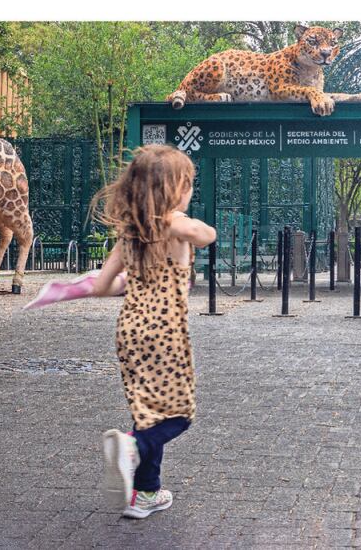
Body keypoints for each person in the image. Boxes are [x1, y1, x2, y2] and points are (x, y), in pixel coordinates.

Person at [90, 145, 217, 517]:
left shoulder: (128, 235)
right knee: (179, 414)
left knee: (148, 410)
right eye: (188, 183)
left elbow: (103, 286)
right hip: (165, 332)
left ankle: (147, 492)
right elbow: (203, 234)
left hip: (130, 330)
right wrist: (190, 223)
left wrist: (135, 283)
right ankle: (132, 450)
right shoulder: (174, 224)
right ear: (174, 188)